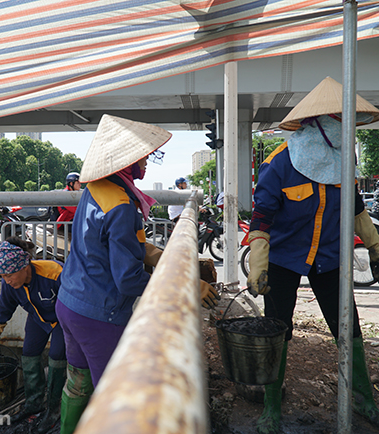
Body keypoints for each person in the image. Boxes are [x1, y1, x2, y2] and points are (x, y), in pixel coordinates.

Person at [247, 77, 379, 434]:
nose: (343, 127)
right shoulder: (278, 164)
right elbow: (262, 218)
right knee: (277, 330)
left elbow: (357, 210)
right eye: (336, 119)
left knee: (349, 329)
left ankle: (363, 401)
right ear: (317, 122)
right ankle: (271, 408)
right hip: (283, 260)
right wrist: (258, 265)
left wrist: (376, 247)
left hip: (329, 258)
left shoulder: (343, 163)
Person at [55, 114, 219, 434]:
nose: (146, 160)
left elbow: (117, 245)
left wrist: (161, 256)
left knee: (76, 384)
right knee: (114, 400)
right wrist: (184, 283)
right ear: (127, 160)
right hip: (99, 314)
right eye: (142, 154)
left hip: (69, 303)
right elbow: (128, 278)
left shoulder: (97, 189)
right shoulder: (121, 203)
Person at [0, 238, 66, 433]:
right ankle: (33, 404)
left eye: (10, 275)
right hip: (38, 318)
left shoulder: (54, 273)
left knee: (56, 357)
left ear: (24, 267)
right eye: (3, 276)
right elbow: (4, 307)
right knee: (29, 354)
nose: (7, 280)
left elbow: (75, 300)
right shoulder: (10, 284)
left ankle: (54, 410)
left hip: (64, 320)